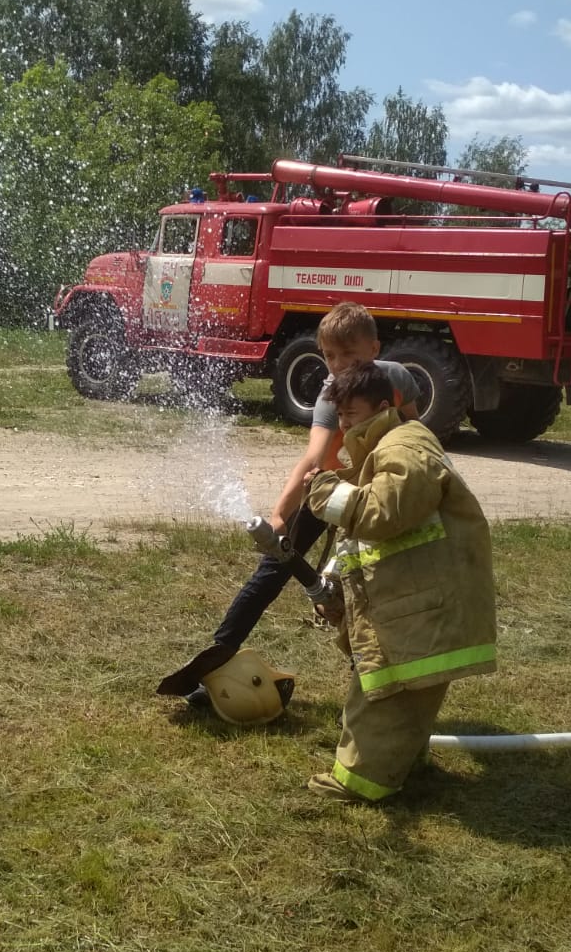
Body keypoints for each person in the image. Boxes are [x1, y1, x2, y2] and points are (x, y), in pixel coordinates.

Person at [156, 304, 421, 700]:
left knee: (369, 586)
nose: (339, 366)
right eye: (330, 356)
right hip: (327, 490)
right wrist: (280, 516)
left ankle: (372, 682)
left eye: (349, 355)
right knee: (272, 572)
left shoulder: (398, 378)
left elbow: (414, 432)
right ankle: (217, 657)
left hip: (375, 497)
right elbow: (314, 459)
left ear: (374, 348)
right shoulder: (331, 394)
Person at [304, 361, 497, 804]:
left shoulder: (406, 448)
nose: (345, 425)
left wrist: (327, 493)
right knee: (392, 692)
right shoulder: (382, 447)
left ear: (383, 406)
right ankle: (404, 762)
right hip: (412, 601)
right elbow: (364, 540)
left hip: (423, 605)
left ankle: (360, 784)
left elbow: (382, 514)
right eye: (341, 416)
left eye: (352, 414)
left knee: (385, 695)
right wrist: (334, 581)